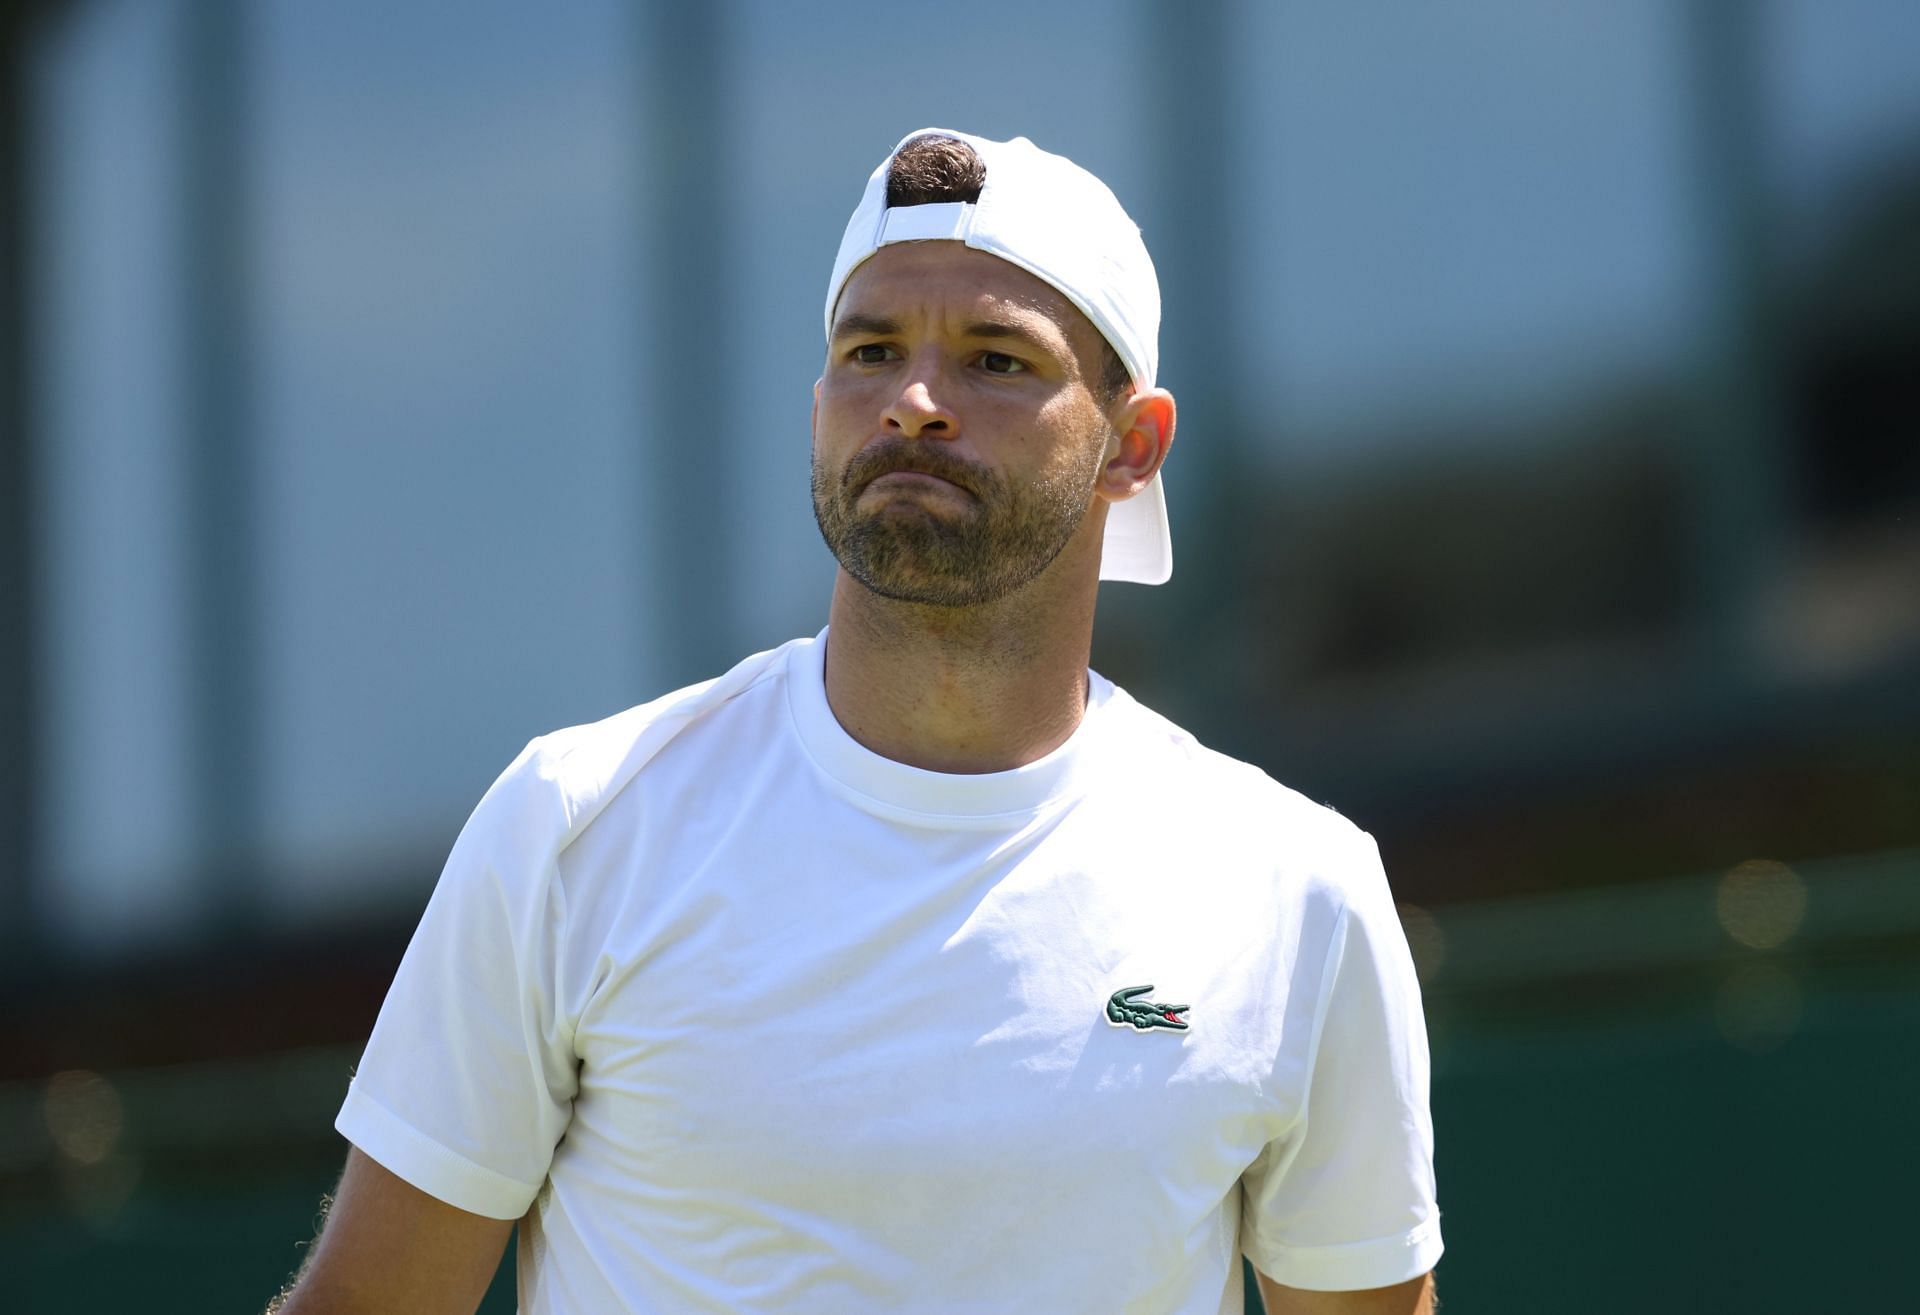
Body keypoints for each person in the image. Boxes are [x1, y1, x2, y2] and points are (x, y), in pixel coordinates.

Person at [269, 128, 1443, 1315]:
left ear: (1130, 447)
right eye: (871, 351)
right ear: (823, 401)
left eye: (995, 360)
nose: (915, 404)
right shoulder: (574, 826)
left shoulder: (1303, 894)